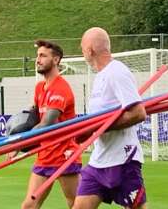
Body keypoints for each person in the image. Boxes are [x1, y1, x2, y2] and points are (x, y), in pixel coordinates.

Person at [73, 27, 148, 209]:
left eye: (82, 47)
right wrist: (86, 132)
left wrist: (100, 128)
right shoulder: (100, 77)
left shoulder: (117, 72)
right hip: (99, 162)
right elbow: (98, 122)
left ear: (90, 50)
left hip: (123, 161)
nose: (82, 51)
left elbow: (138, 113)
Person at [15, 40, 81, 209]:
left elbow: (46, 124)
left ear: (56, 60)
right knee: (29, 205)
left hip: (64, 155)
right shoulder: (39, 87)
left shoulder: (61, 89)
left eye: (43, 56)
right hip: (45, 154)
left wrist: (19, 142)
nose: (38, 60)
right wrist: (16, 133)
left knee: (76, 204)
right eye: (37, 56)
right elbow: (34, 118)